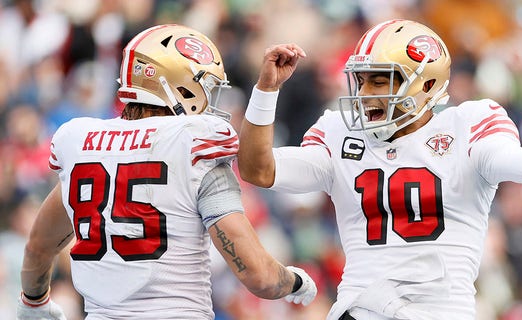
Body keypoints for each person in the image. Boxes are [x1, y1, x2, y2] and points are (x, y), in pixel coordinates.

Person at [237, 19, 522, 320]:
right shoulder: (338, 131)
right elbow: (259, 170)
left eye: (380, 80)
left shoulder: (469, 125)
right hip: (361, 308)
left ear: (426, 84)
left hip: (439, 311)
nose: (366, 92)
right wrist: (266, 92)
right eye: (363, 79)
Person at [17, 24, 317, 320]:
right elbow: (260, 277)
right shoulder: (193, 144)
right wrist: (294, 281)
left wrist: (34, 303)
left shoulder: (83, 144)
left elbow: (39, 247)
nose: (209, 102)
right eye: (206, 88)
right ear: (180, 87)